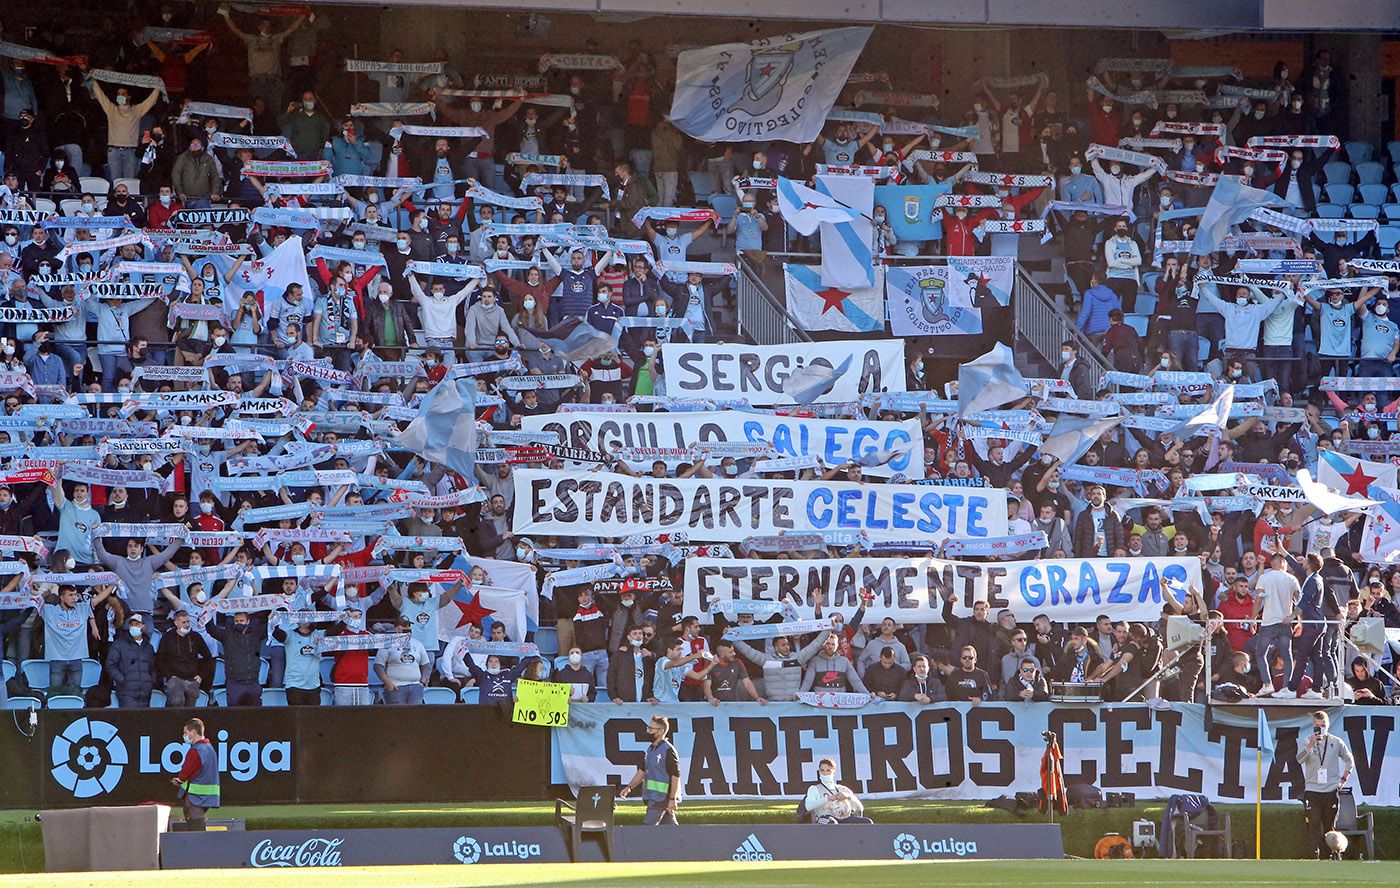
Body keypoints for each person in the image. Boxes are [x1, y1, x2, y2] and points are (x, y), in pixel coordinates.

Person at [1296, 710, 1354, 860]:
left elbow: (1350, 761)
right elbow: (1299, 759)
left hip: (1331, 790)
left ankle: (1332, 855)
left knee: (1330, 826)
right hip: (1312, 790)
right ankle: (1314, 857)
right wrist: (1311, 744)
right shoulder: (1305, 740)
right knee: (1314, 824)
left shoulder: (1336, 742)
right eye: (1317, 726)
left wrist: (1343, 780)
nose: (1321, 728)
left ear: (1328, 725)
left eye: (1323, 725)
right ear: (1313, 725)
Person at [619, 714, 681, 825]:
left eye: (651, 729)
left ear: (661, 731)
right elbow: (642, 771)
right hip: (654, 796)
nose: (648, 731)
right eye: (648, 728)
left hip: (661, 798)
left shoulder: (668, 750)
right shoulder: (651, 749)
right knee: (672, 831)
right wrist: (629, 787)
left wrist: (672, 799)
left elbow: (675, 776)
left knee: (647, 830)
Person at [171, 718, 220, 830]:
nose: (184, 735)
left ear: (193, 732)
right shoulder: (210, 748)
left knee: (195, 832)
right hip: (208, 798)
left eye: (185, 732)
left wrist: (179, 780)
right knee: (199, 830)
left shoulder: (196, 750)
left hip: (194, 798)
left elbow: (184, 774)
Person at [802, 757, 874, 825]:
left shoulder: (844, 789)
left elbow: (859, 808)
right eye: (822, 770)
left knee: (867, 822)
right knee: (832, 823)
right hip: (825, 818)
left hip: (844, 818)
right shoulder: (814, 789)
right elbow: (808, 806)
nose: (825, 773)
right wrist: (828, 798)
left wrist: (849, 796)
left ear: (834, 772)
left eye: (828, 770)